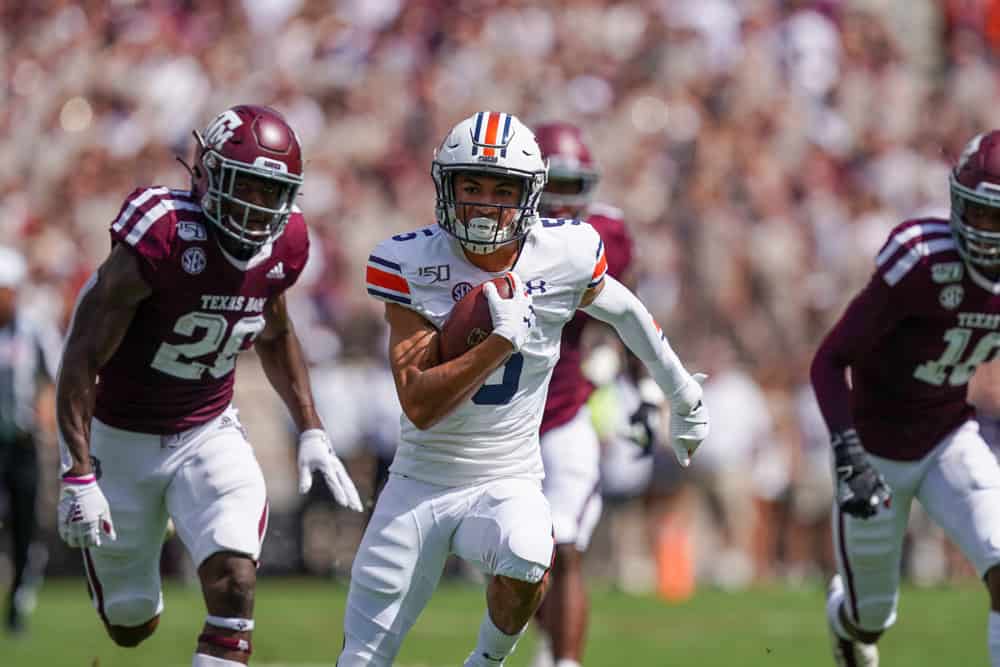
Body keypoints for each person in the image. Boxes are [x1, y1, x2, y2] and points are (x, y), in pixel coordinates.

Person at [343, 111, 709, 667]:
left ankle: (486, 662)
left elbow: (627, 312)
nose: (487, 203)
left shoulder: (563, 252)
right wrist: (497, 343)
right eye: (472, 185)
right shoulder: (412, 261)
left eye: (503, 189)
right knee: (364, 658)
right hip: (420, 480)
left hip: (507, 476)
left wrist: (681, 395)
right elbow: (419, 404)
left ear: (530, 196)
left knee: (531, 550)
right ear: (446, 187)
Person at [55, 105, 362, 667]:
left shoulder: (287, 242)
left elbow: (276, 332)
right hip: (122, 436)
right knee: (130, 623)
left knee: (235, 581)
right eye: (245, 184)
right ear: (207, 173)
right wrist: (78, 471)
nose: (258, 204)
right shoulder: (163, 230)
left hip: (206, 429)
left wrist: (312, 427)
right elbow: (81, 354)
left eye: (272, 191)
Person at [811, 130, 1000, 667]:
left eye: (998, 218)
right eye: (978, 213)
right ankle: (846, 626)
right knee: (871, 616)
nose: (986, 232)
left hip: (948, 438)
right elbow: (829, 360)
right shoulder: (919, 258)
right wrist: (848, 453)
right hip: (875, 451)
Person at [529, 121, 636, 667]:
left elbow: (628, 315)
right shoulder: (492, 235)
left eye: (575, 186)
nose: (564, 201)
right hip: (501, 422)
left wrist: (642, 389)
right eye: (554, 184)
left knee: (565, 547)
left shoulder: (604, 235)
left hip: (566, 411)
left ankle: (564, 661)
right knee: (521, 562)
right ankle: (548, 647)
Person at [0, 246, 61, 634]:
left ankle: (19, 600)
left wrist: (47, 417)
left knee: (24, 523)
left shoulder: (34, 328)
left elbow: (56, 377)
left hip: (22, 442)